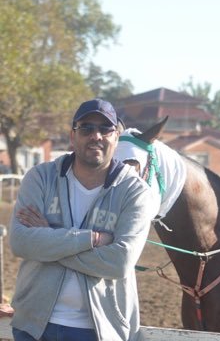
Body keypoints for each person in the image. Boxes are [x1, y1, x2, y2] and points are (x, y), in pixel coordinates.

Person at [9, 98, 156, 341]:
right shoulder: (41, 178)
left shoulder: (134, 191)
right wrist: (93, 239)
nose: (95, 136)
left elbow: (119, 263)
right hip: (34, 327)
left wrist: (50, 239)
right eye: (86, 128)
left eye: (105, 129)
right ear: (72, 136)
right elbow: (21, 242)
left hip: (100, 330)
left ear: (116, 137)